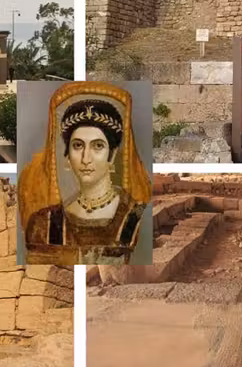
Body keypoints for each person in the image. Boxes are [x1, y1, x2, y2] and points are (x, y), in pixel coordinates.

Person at [19, 82, 151, 266]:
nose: (85, 158)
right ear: (66, 156)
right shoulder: (44, 223)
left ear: (112, 156)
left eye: (98, 146)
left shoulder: (133, 216)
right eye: (78, 145)